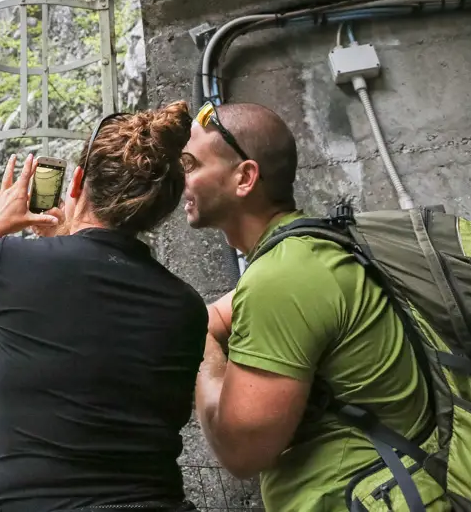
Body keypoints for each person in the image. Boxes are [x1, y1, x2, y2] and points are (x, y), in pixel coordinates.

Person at [0, 102, 208, 512]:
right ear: (159, 211)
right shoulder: (187, 305)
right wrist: (64, 244)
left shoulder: (13, 262)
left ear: (75, 182)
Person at [185, 101, 435, 511]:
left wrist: (200, 346)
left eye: (192, 164)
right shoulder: (311, 251)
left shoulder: (283, 279)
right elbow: (211, 316)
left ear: (244, 177)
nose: (184, 179)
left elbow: (239, 451)